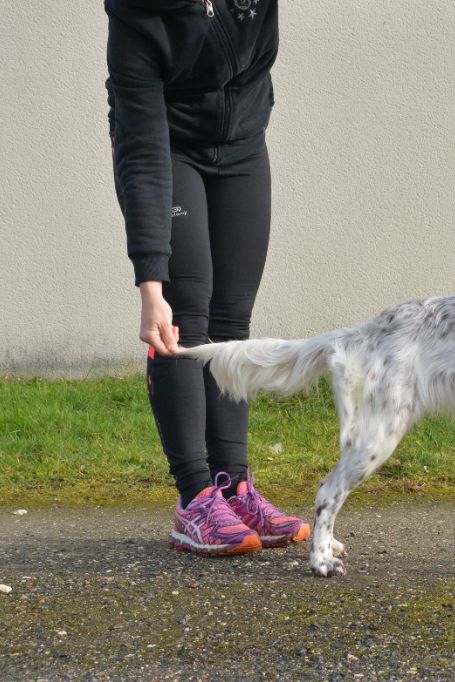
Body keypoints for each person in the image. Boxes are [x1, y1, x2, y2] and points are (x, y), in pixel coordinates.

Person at [106, 0, 309, 556]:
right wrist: (151, 286)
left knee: (232, 318)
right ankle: (195, 498)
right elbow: (143, 155)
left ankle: (234, 487)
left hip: (242, 141)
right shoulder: (137, 18)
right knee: (186, 314)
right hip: (168, 146)